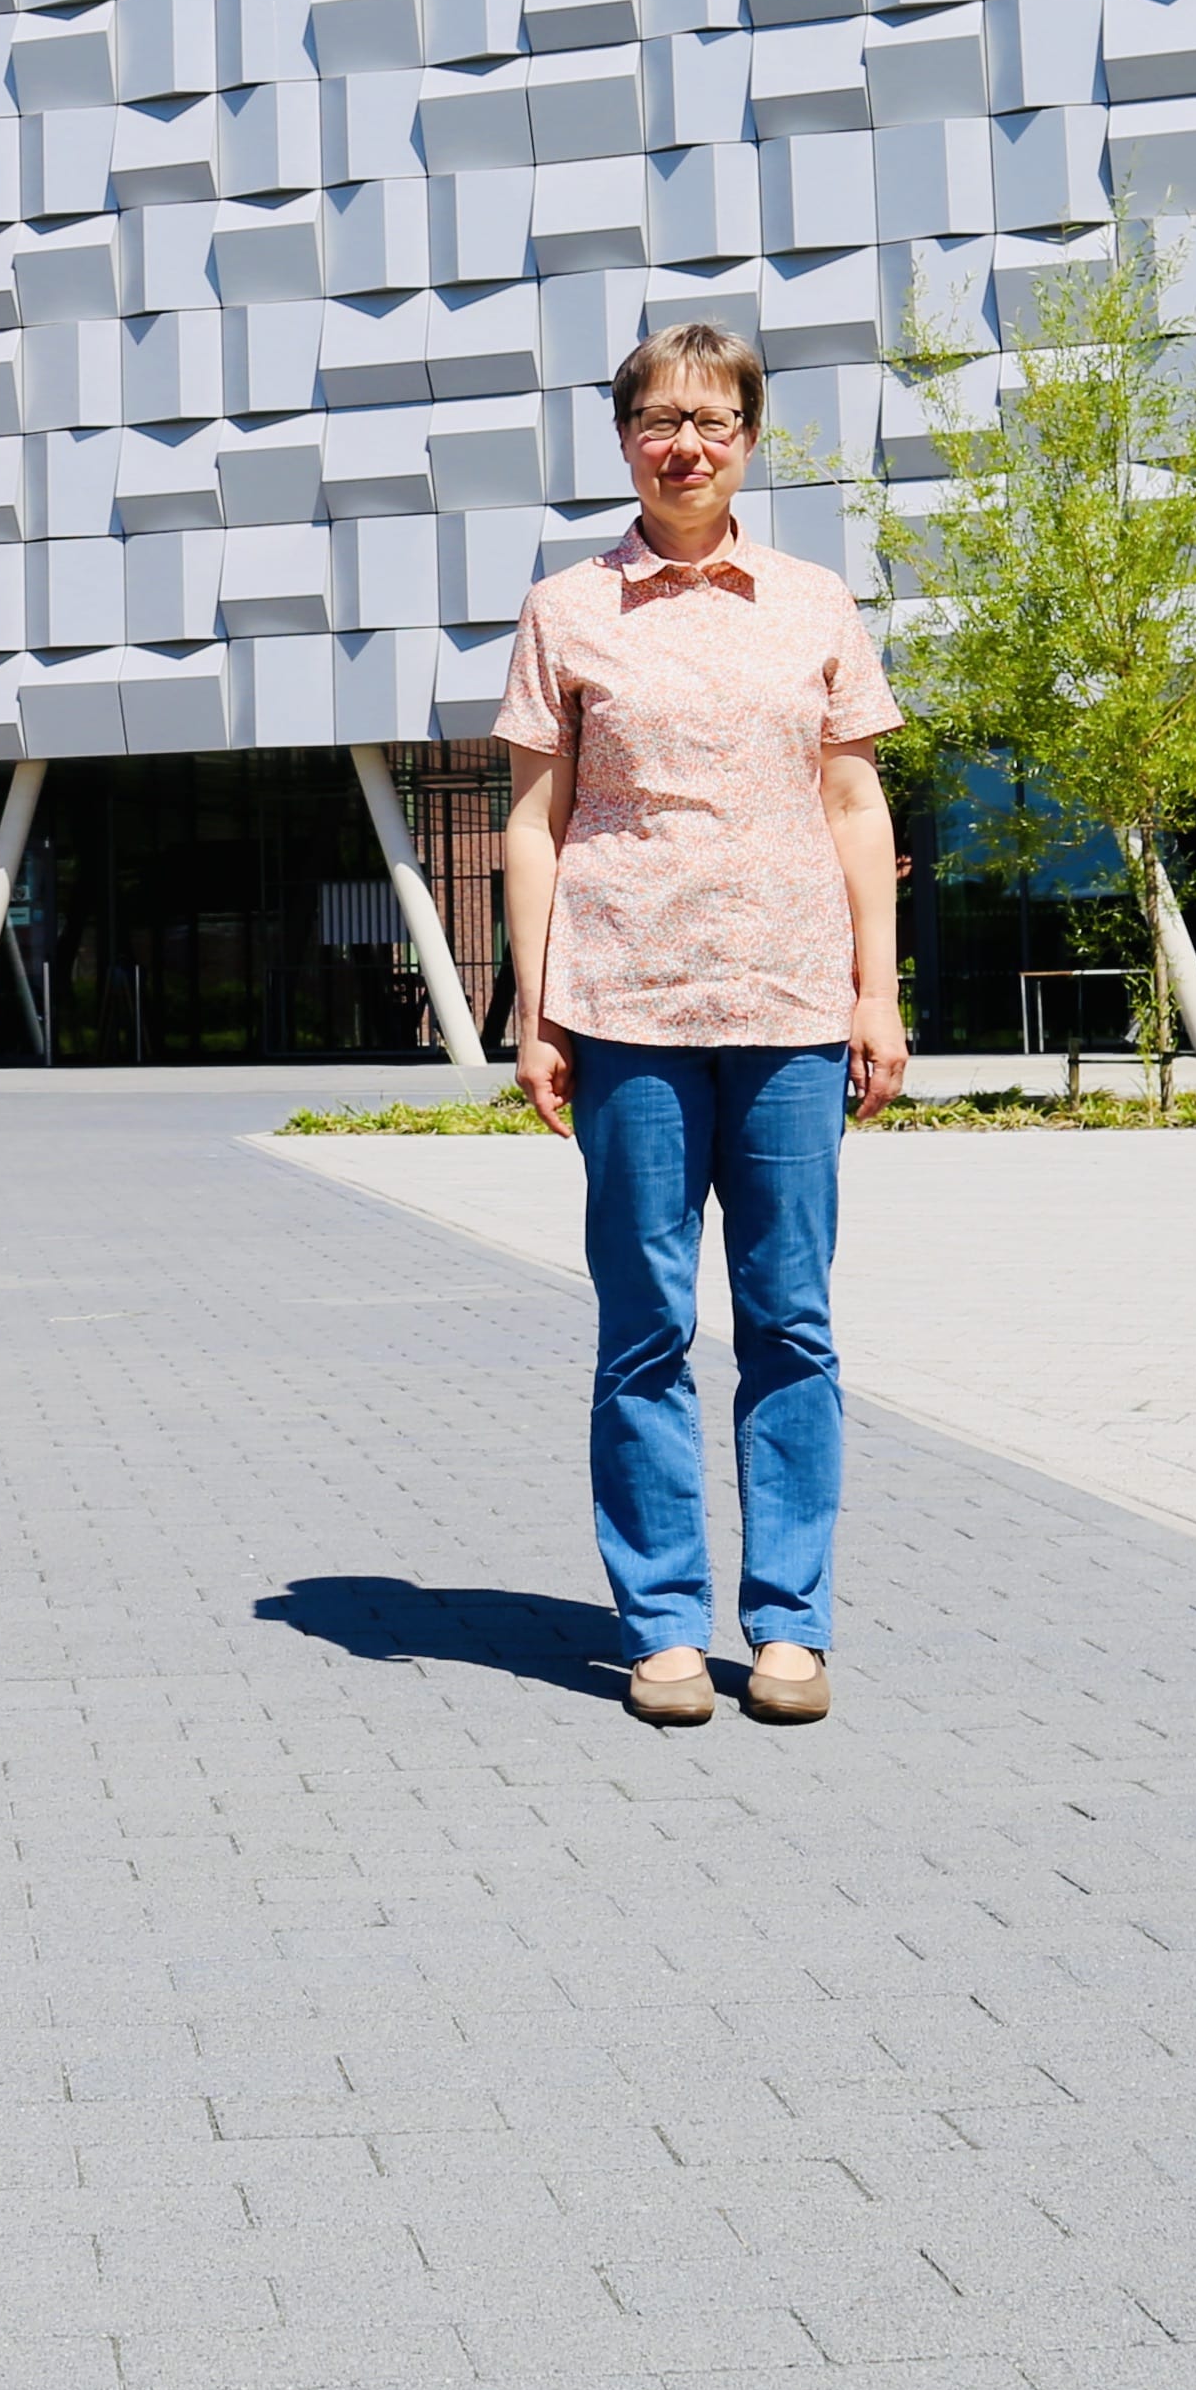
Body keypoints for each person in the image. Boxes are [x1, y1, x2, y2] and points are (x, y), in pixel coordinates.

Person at [497, 319, 910, 1732]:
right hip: (620, 1009)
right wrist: (531, 1002)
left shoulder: (811, 603)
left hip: (791, 1007)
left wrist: (876, 989)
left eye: (711, 419)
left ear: (748, 436)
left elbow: (854, 804)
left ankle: (787, 1624)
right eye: (656, 419)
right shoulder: (565, 609)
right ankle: (663, 1622)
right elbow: (534, 819)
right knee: (645, 1325)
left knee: (790, 1321)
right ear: (621, 438)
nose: (683, 442)